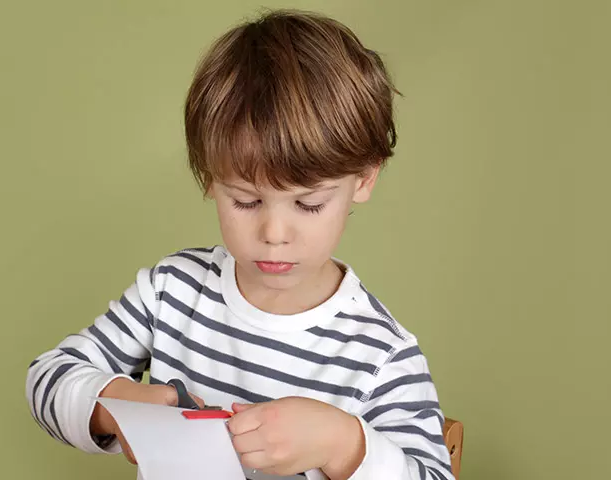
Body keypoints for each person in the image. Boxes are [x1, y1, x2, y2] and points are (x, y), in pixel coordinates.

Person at [26, 9, 454, 480]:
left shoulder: (382, 355)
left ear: (364, 179)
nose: (274, 233)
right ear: (210, 178)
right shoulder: (172, 291)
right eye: (247, 200)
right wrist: (110, 404)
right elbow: (48, 377)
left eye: (308, 204)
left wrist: (343, 444)